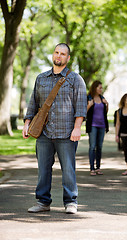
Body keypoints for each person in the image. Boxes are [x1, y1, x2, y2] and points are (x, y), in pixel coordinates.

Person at [22, 43, 87, 214]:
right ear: (53, 55)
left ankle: (71, 202)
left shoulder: (76, 79)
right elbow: (33, 104)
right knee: (43, 170)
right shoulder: (41, 78)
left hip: (66, 133)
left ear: (68, 58)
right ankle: (43, 202)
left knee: (68, 170)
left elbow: (80, 106)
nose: (59, 56)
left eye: (63, 54)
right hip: (44, 133)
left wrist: (77, 128)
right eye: (56, 52)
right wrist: (27, 123)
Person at [86, 81, 109, 176]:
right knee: (92, 146)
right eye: (100, 87)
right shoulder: (89, 98)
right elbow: (84, 112)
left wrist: (107, 105)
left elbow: (105, 112)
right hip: (93, 125)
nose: (101, 89)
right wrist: (89, 105)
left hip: (102, 125)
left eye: (101, 88)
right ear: (95, 88)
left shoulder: (102, 98)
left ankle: (98, 167)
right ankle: (92, 168)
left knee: (99, 147)